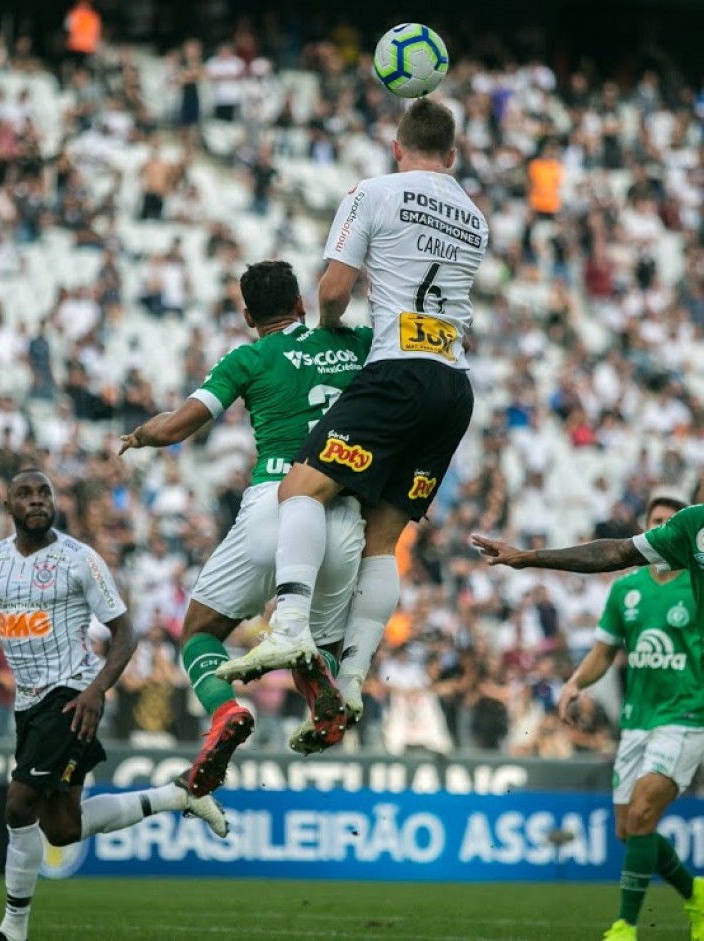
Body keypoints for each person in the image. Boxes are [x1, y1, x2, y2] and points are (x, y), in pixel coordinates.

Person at [218, 97, 489, 742]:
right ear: (452, 157)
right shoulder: (474, 216)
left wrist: (334, 329)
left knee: (299, 489)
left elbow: (333, 289)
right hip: (453, 384)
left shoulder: (373, 192)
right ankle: (354, 676)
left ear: (397, 148)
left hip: (396, 371)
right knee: (381, 540)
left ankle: (287, 629)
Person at [120, 260, 386, 791]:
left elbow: (179, 426)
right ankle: (322, 697)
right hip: (345, 510)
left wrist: (143, 435)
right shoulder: (357, 341)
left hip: (278, 502)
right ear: (301, 304)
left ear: (247, 315)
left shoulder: (248, 357)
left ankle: (225, 712)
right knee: (316, 642)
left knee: (198, 631)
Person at [0, 469, 227, 941]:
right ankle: (176, 795)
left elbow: (124, 632)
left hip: (71, 698)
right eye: (24, 493)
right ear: (8, 508)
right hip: (29, 706)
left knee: (19, 804)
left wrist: (97, 689)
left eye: (44, 491)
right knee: (63, 829)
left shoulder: (79, 560)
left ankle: (12, 929)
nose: (37, 500)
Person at [472, 491, 704, 941]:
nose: (661, 525)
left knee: (641, 814)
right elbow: (613, 553)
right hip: (639, 716)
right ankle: (695, 893)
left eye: (664, 519)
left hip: (688, 709)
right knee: (628, 827)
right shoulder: (686, 533)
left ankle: (625, 926)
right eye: (655, 520)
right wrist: (531, 557)